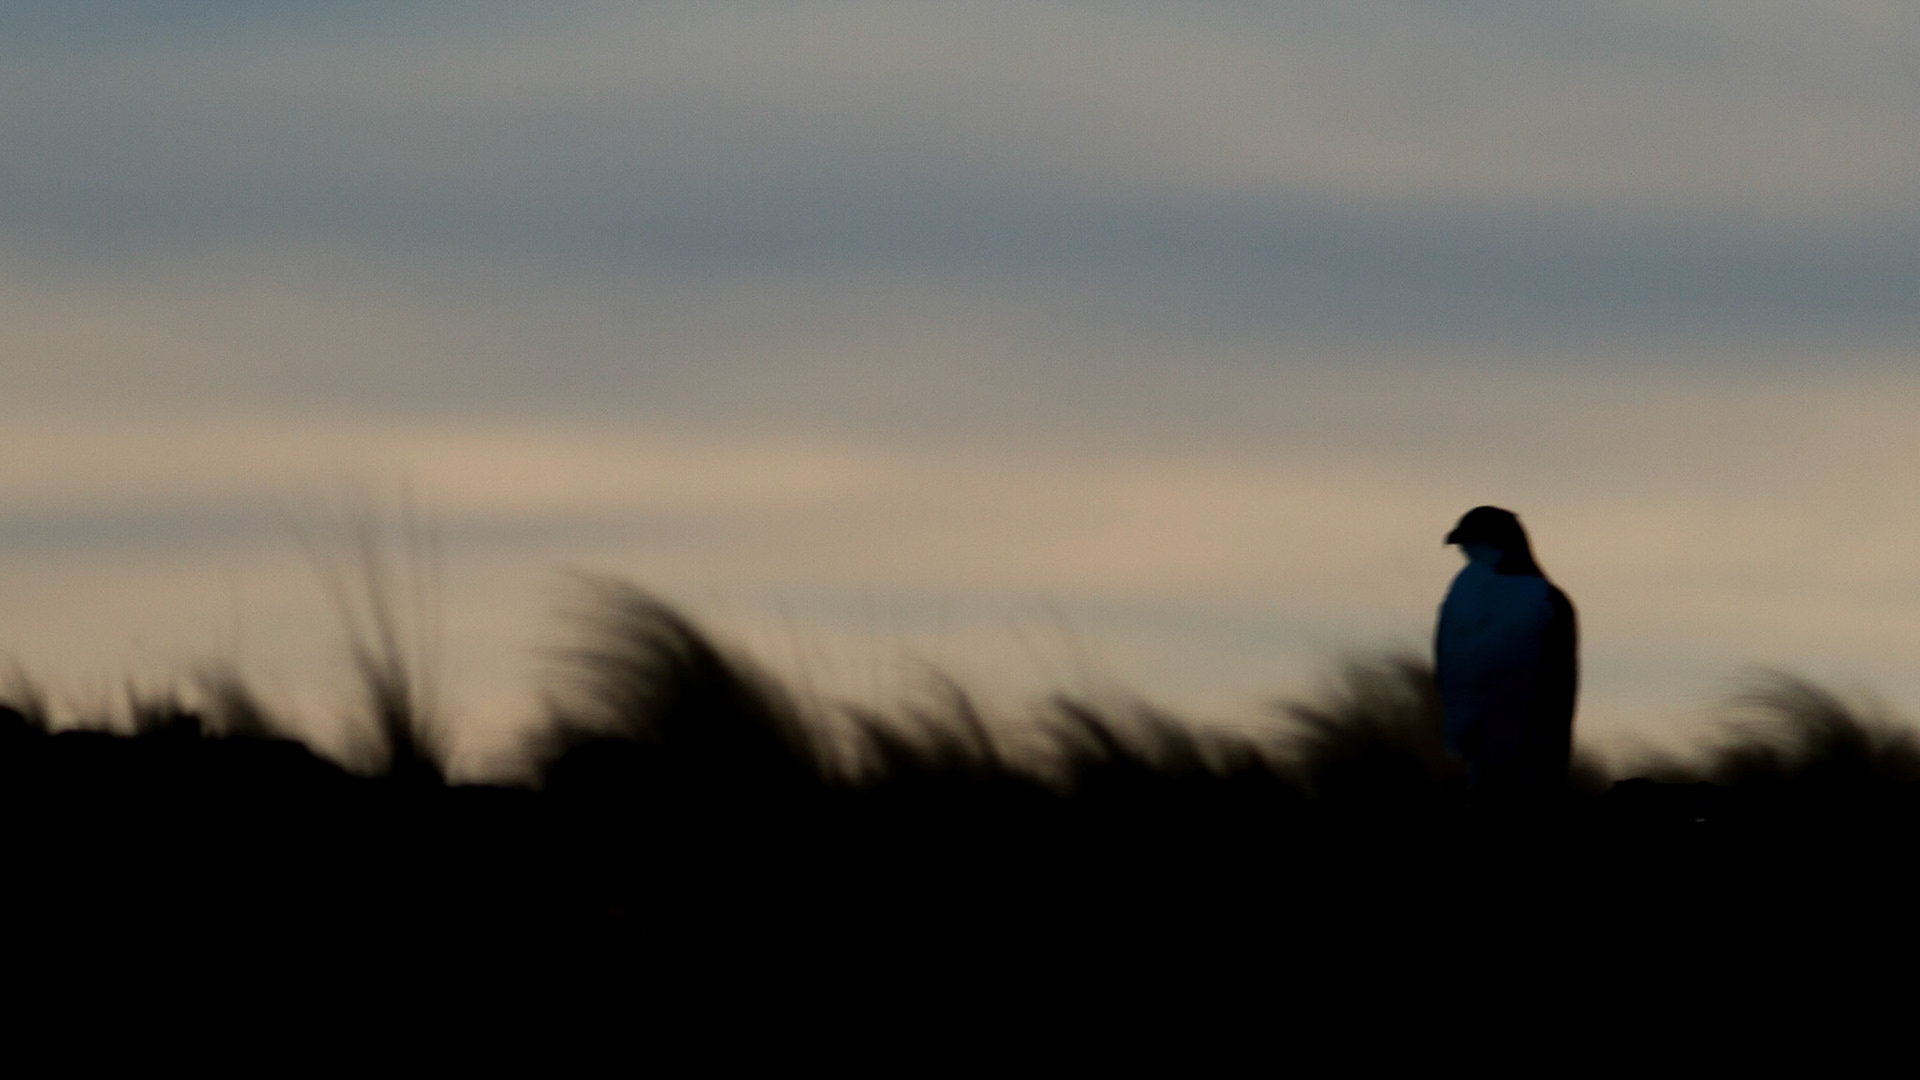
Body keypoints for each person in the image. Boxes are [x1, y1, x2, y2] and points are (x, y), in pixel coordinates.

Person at [1434, 506, 1578, 796]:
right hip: (1481, 758)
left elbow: (1555, 702)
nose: (1458, 541)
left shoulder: (1545, 603)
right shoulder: (1546, 602)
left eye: (1476, 535)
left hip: (1531, 759)